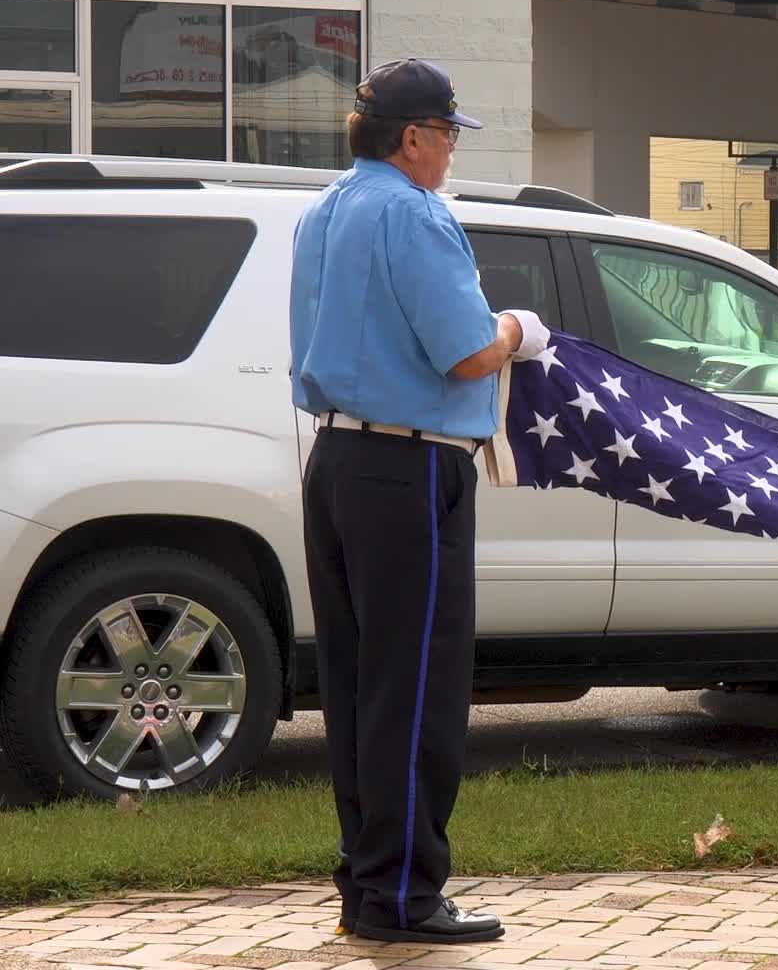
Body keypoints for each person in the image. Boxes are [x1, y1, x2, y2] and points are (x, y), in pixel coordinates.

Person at [291, 58, 550, 944]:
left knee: (362, 687)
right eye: (444, 134)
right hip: (409, 471)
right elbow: (468, 352)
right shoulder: (414, 212)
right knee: (419, 691)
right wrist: (521, 328)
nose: (448, 151)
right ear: (412, 138)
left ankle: (367, 888)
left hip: (336, 459)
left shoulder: (325, 208)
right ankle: (405, 894)